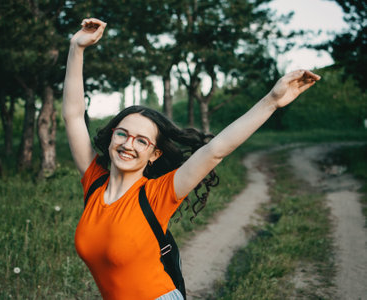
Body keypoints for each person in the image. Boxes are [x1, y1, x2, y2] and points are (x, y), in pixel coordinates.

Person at [62, 18, 320, 300]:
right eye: (122, 134)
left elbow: (216, 149)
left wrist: (271, 100)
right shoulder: (94, 182)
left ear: (154, 153)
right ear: (112, 136)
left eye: (141, 140)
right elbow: (74, 115)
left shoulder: (157, 194)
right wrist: (77, 48)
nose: (128, 145)